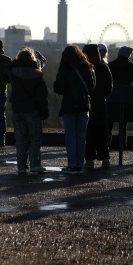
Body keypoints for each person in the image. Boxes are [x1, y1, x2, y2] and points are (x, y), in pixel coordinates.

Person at [6, 47, 49, 175]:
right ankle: (35, 164)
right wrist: (44, 111)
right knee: (35, 138)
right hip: (32, 110)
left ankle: (21, 166)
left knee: (20, 139)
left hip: (17, 109)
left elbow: (8, 66)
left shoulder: (12, 72)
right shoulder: (37, 75)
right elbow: (42, 96)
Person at [53, 45, 96, 174]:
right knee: (81, 136)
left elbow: (58, 88)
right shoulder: (88, 68)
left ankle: (72, 164)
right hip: (83, 105)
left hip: (69, 106)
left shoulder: (65, 69)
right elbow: (92, 87)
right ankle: (79, 164)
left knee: (70, 135)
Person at [82, 44, 113, 170]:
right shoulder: (104, 67)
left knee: (89, 133)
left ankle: (89, 160)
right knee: (102, 132)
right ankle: (105, 158)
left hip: (88, 104)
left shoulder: (85, 67)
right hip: (100, 104)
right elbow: (109, 86)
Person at [107, 45, 133, 146]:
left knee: (109, 122)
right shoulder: (131, 66)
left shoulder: (111, 65)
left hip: (112, 97)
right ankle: (122, 143)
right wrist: (131, 89)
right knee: (123, 124)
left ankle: (106, 143)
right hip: (126, 97)